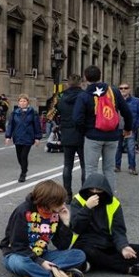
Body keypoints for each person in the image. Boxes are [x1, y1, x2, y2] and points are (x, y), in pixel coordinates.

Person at [0, 180, 86, 277]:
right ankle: (54, 275)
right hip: (18, 254)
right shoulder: (22, 212)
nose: (63, 205)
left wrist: (66, 223)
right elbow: (18, 246)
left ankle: (37, 275)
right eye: (59, 202)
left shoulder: (55, 213)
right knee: (20, 264)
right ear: (48, 203)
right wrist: (39, 262)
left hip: (42, 254)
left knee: (79, 254)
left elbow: (62, 246)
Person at [70, 174, 139, 277]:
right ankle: (129, 269)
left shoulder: (114, 203)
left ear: (105, 190)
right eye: (91, 189)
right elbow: (76, 227)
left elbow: (118, 230)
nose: (94, 192)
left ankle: (91, 265)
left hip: (107, 243)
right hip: (85, 243)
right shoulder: (78, 200)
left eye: (98, 190)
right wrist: (87, 208)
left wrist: (123, 246)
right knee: (88, 252)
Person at [73, 65, 132, 191]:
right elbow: (127, 112)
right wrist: (127, 128)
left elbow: (77, 119)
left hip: (93, 136)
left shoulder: (84, 95)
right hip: (112, 136)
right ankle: (110, 199)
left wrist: (86, 131)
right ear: (100, 76)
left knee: (91, 169)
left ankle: (92, 198)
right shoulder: (114, 91)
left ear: (85, 77)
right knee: (109, 169)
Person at [56, 74, 86, 203]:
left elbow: (57, 111)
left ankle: (67, 194)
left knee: (67, 165)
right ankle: (84, 194)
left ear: (68, 83)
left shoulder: (61, 97)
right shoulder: (84, 96)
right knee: (85, 165)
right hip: (82, 134)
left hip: (67, 133)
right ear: (80, 83)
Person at [5, 94, 42, 182]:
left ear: (27, 102)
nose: (22, 103)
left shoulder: (33, 112)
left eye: (24, 101)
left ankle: (23, 173)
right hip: (18, 137)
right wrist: (8, 136)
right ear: (18, 103)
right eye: (21, 101)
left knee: (23, 156)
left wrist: (37, 138)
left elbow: (37, 126)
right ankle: (24, 168)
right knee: (19, 157)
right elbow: (10, 125)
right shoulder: (14, 113)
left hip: (28, 137)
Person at [115, 83, 139, 175]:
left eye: (125, 88)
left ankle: (132, 167)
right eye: (121, 88)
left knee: (131, 148)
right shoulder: (115, 100)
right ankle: (117, 166)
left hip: (130, 129)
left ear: (129, 89)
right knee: (117, 148)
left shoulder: (136, 101)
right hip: (118, 128)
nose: (123, 90)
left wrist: (136, 126)